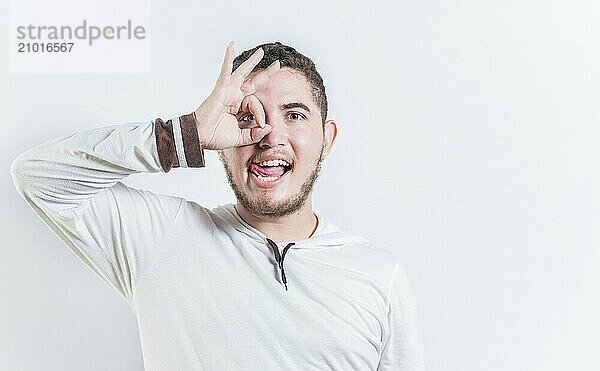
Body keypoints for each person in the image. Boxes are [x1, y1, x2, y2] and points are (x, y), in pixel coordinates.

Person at [10, 41, 425, 370]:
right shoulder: (162, 239)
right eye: (248, 116)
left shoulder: (378, 276)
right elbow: (38, 176)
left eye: (294, 115)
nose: (269, 135)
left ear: (326, 140)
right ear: (220, 146)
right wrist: (183, 134)